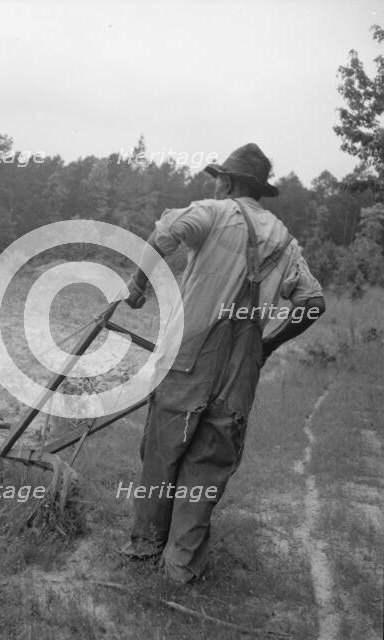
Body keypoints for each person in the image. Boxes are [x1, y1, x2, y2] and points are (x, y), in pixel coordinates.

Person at [121, 143, 325, 584]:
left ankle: (143, 548)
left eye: (219, 178)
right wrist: (267, 345)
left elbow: (163, 235)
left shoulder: (212, 212)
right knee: (208, 465)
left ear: (229, 182)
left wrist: (137, 287)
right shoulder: (287, 243)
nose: (215, 183)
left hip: (186, 359)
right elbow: (312, 302)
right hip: (239, 374)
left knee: (161, 454)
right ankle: (180, 568)